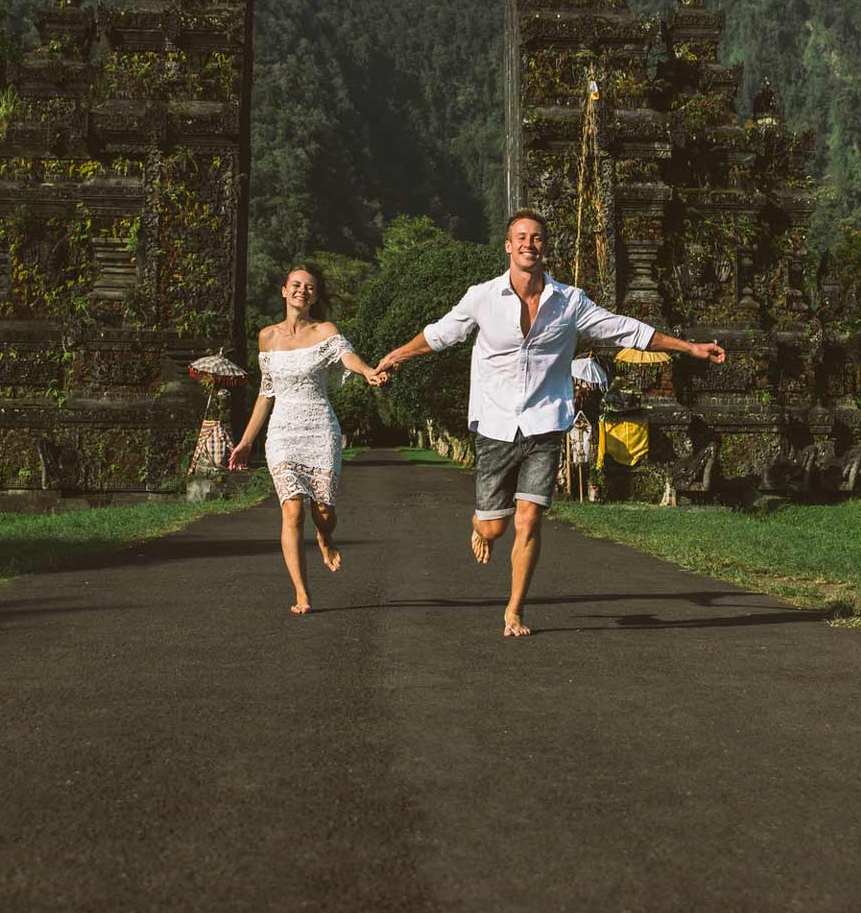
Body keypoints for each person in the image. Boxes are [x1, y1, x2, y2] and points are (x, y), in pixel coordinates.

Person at [374, 210, 726, 638]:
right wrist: (396, 355)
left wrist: (688, 348)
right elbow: (439, 335)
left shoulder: (570, 302)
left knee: (529, 520)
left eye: (536, 237)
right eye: (520, 237)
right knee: (494, 526)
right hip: (496, 425)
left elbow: (626, 330)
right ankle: (480, 524)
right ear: (507, 246)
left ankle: (515, 610)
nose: (528, 244)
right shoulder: (481, 297)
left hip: (544, 425)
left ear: (545, 246)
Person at [228, 264, 387, 614]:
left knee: (324, 511)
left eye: (310, 287)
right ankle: (302, 593)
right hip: (282, 432)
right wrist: (246, 441)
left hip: (319, 429)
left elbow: (348, 356)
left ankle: (325, 537)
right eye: (296, 285)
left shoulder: (325, 331)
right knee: (292, 510)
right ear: (284, 290)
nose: (302, 290)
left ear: (315, 296)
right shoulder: (266, 337)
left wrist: (367, 371)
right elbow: (266, 392)